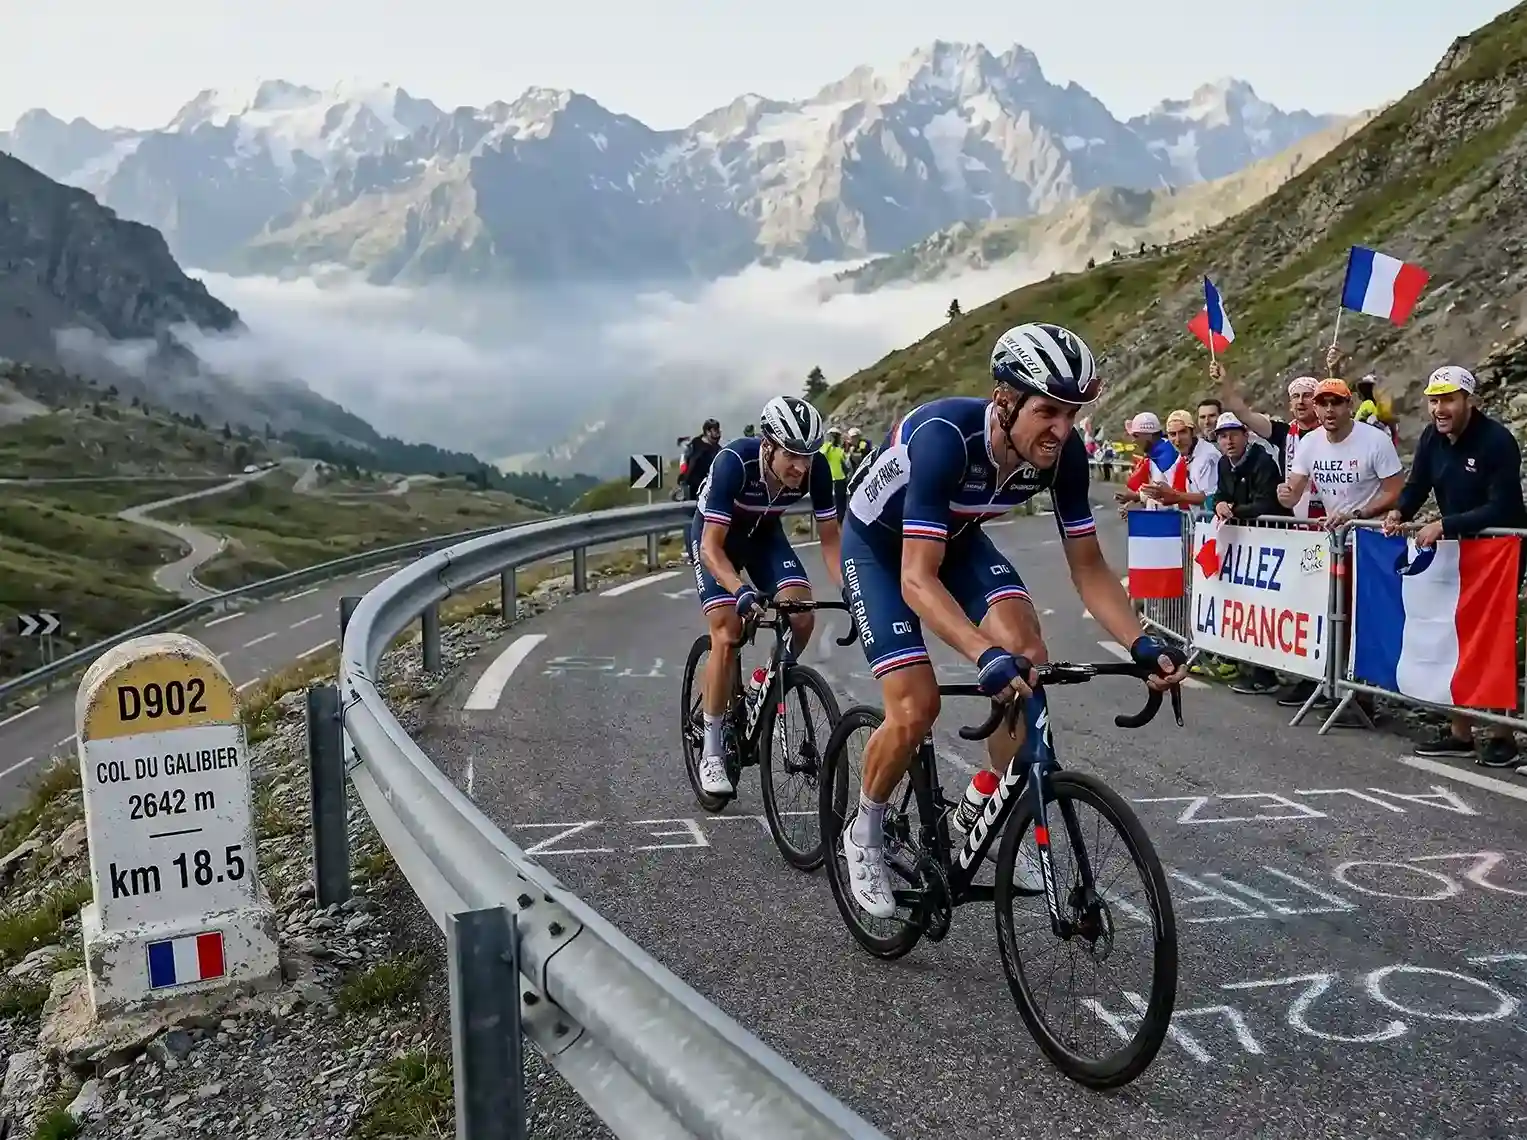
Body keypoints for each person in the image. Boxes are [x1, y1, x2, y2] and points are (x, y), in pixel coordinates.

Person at [837, 322, 1189, 918]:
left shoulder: (1063, 453)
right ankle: (863, 830)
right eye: (1049, 411)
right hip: (881, 547)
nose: (1063, 430)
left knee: (1027, 645)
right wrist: (981, 654)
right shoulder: (945, 437)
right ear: (1004, 400)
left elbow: (1089, 567)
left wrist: (1140, 642)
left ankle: (998, 804)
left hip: (959, 535)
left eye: (1073, 414)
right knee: (917, 706)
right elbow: (917, 578)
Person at [690, 397, 841, 796]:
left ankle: (763, 683)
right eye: (793, 455)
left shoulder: (817, 470)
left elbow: (831, 542)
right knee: (727, 631)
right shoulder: (734, 464)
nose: (802, 467)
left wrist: (853, 593)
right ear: (768, 445)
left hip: (764, 536)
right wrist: (739, 590)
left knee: (802, 614)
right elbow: (711, 548)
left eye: (809, 456)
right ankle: (712, 749)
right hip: (717, 539)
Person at [1381, 365, 1527, 769]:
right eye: (1433, 400)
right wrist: (1400, 512)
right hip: (1460, 552)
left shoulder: (1497, 441)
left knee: (1490, 639)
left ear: (1469, 401)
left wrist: (1445, 523)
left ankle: (1502, 735)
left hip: (1499, 551)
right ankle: (1462, 733)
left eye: (1448, 400)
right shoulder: (1433, 436)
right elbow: (1417, 484)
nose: (1439, 409)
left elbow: (1503, 506)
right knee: (1453, 635)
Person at [1210, 411, 1288, 695]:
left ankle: (1266, 673)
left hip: (1270, 542)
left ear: (1245, 435)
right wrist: (1219, 505)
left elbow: (1266, 504)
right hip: (1244, 543)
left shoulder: (1262, 462)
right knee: (1247, 606)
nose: (1228, 441)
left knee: (1266, 606)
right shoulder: (1222, 463)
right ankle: (1252, 667)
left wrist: (1234, 512)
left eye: (1233, 434)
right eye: (1222, 436)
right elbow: (1220, 494)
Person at [1279, 378, 1404, 528]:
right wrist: (1284, 494)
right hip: (1335, 536)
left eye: (1336, 402)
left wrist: (1357, 515)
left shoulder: (1376, 440)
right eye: (1323, 404)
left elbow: (1396, 492)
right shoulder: (1309, 442)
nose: (1330, 409)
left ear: (1349, 405)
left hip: (1372, 535)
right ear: (1315, 408)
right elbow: (1292, 497)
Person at [821, 426, 849, 520]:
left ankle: (840, 523)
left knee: (841, 505)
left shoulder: (839, 449)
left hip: (840, 479)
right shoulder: (825, 447)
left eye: (836, 436)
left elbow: (845, 463)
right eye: (833, 436)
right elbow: (822, 455)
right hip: (830, 480)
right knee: (830, 505)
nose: (834, 438)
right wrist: (829, 445)